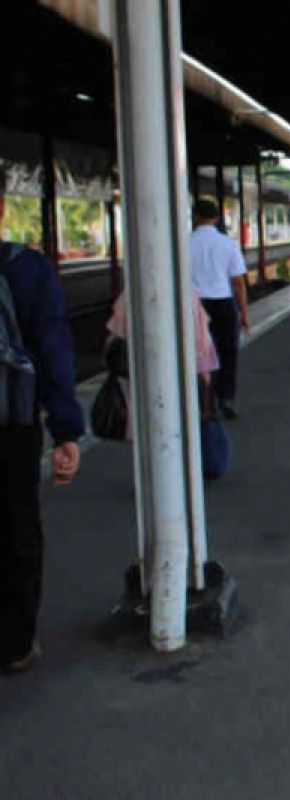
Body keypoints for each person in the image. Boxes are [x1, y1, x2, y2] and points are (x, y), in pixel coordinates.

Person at [0, 170, 83, 675]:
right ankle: (15, 644)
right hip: (12, 425)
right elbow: (54, 353)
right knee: (17, 529)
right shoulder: (24, 268)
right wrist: (67, 431)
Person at [104, 289, 220, 440]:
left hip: (140, 389)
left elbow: (113, 345)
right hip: (182, 388)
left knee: (148, 439)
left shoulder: (129, 295)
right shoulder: (186, 295)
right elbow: (203, 351)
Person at [190, 199, 249, 420]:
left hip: (194, 305)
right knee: (227, 352)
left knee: (198, 354)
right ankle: (225, 397)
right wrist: (244, 313)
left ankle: (202, 401)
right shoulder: (228, 244)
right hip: (223, 303)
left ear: (195, 217)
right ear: (216, 218)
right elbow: (238, 282)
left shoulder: (183, 243)